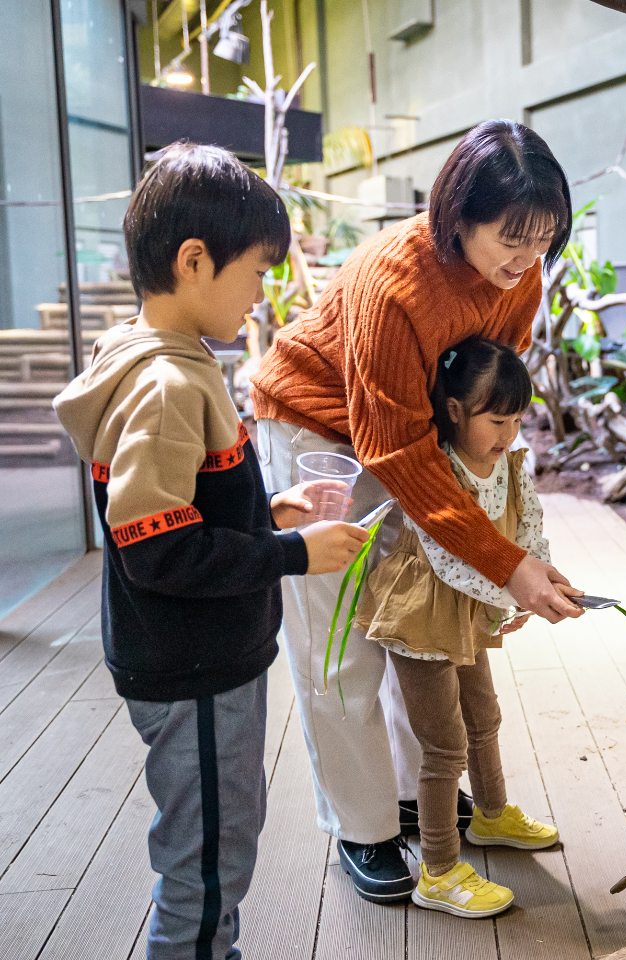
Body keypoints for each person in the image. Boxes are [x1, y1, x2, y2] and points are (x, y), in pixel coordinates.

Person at [251, 120, 585, 903]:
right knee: (338, 635)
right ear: (456, 214)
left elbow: (475, 406)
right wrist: (506, 564)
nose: (527, 258)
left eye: (544, 240)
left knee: (416, 616)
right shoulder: (393, 281)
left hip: (412, 434)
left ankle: (413, 792)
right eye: (512, 236)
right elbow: (394, 452)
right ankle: (363, 829)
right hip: (316, 431)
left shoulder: (518, 279)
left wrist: (500, 547)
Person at [52, 143, 369, 960]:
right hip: (193, 665)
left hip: (197, 656)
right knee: (206, 864)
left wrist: (269, 514)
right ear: (196, 262)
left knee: (222, 838)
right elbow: (157, 554)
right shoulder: (165, 385)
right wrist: (292, 553)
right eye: (256, 273)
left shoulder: (163, 359)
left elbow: (180, 511)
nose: (262, 293)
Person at [357, 336, 560, 917]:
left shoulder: (511, 467)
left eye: (518, 418)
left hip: (472, 610)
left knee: (484, 715)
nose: (508, 434)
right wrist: (511, 595)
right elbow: (448, 559)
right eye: (496, 419)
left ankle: (492, 815)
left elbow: (529, 534)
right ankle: (439, 869)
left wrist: (544, 579)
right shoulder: (435, 473)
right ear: (453, 411)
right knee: (443, 744)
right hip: (420, 617)